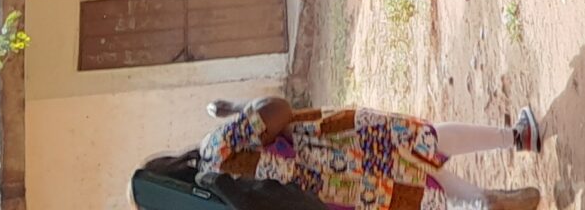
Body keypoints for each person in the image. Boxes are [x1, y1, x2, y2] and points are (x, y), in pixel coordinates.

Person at [137, 90, 545, 210]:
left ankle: (479, 205)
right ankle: (514, 138)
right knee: (424, 142)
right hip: (338, 143)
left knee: (415, 195)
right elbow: (276, 110)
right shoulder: (214, 152)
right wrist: (241, 108)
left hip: (338, 200)